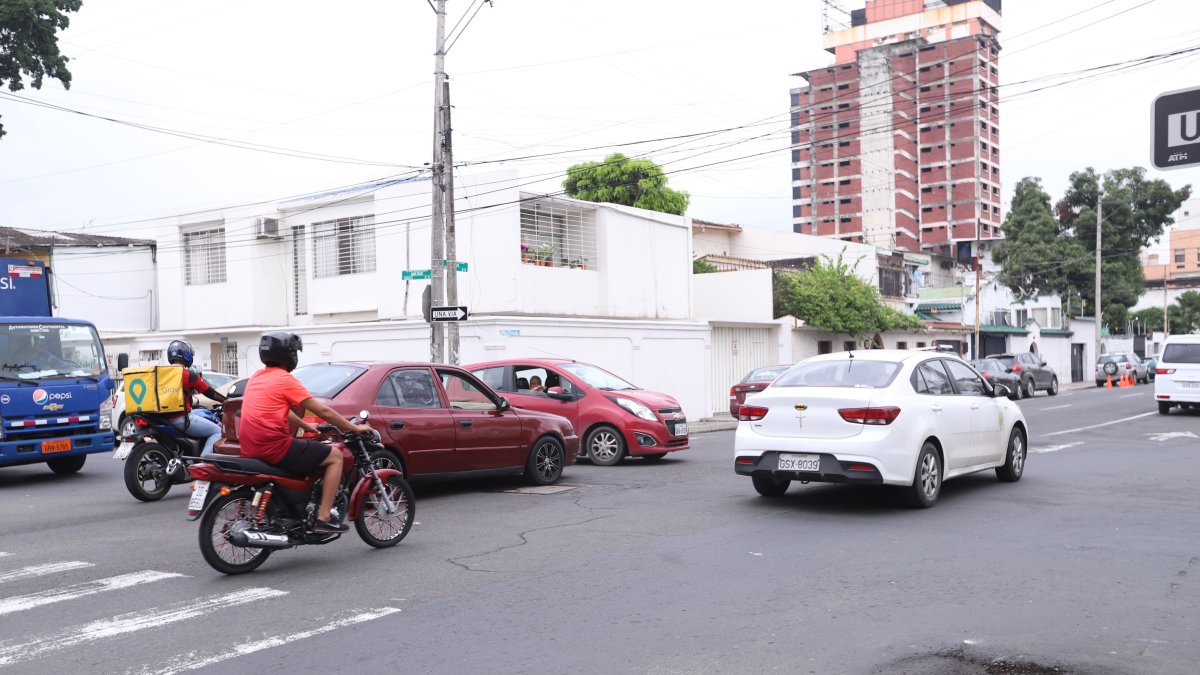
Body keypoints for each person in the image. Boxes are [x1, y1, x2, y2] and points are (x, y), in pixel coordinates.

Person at [238, 331, 372, 534]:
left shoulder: (257, 377)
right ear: (290, 354)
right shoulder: (285, 379)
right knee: (335, 457)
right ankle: (323, 517)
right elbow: (323, 410)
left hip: (249, 446)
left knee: (308, 453)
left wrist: (306, 425)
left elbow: (280, 409)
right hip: (273, 446)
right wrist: (354, 428)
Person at [164, 340, 227, 457]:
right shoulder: (188, 375)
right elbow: (209, 392)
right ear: (187, 356)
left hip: (162, 418)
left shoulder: (161, 374)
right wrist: (225, 400)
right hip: (180, 419)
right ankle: (203, 462)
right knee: (218, 432)